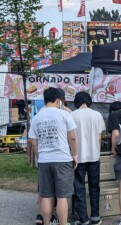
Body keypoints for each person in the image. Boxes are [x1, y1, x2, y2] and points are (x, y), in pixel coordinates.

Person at [29, 87, 78, 225]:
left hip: (44, 160)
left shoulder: (37, 117)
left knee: (45, 195)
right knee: (62, 196)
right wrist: (75, 154)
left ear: (44, 101)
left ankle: (46, 223)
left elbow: (34, 142)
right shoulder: (65, 114)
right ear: (58, 100)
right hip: (62, 159)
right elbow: (73, 138)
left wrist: (40, 158)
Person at [71, 92, 106, 225]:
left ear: (77, 101)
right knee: (94, 187)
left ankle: (83, 219)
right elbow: (99, 138)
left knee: (79, 187)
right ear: (88, 101)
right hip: (94, 156)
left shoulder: (72, 115)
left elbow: (71, 138)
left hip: (77, 157)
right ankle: (95, 217)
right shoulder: (97, 115)